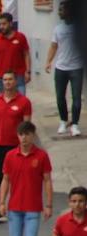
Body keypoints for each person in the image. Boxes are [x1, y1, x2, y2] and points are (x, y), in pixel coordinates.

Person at [0, 120, 53, 236]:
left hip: (32, 209)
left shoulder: (41, 156)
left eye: (27, 134)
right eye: (21, 134)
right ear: (18, 136)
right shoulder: (10, 156)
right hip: (15, 208)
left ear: (33, 135)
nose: (24, 138)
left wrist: (49, 204)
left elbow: (47, 180)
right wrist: (1, 202)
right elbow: (5, 179)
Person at [0, 69, 32, 224]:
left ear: (15, 81)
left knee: (17, 179)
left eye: (10, 79)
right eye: (5, 79)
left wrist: (26, 146)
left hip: (15, 146)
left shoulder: (24, 102)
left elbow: (27, 126)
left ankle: (19, 208)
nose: (7, 82)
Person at [45, 2, 83, 137]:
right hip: (61, 67)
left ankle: (75, 125)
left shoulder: (79, 28)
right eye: (59, 9)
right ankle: (63, 121)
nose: (59, 12)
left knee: (76, 98)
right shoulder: (58, 29)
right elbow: (53, 46)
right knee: (60, 97)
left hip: (76, 68)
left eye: (62, 9)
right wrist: (48, 61)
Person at [0, 12, 29, 92]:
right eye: (0, 24)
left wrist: (28, 71)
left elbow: (26, 54)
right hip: (2, 77)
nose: (1, 27)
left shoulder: (21, 37)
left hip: (18, 76)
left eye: (4, 24)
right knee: (5, 102)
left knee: (20, 102)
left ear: (11, 24)